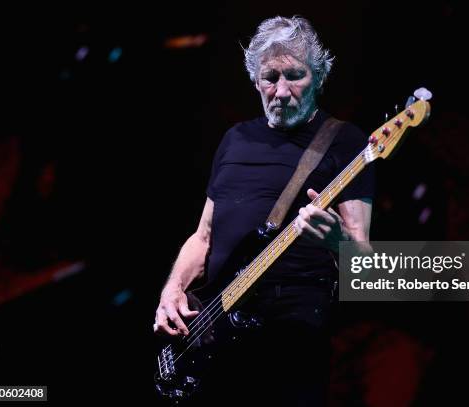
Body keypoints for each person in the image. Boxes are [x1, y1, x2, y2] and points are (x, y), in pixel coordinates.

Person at [154, 15, 375, 406]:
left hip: (290, 348)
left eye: (296, 75)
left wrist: (336, 241)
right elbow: (202, 237)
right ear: (255, 80)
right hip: (214, 341)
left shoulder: (345, 141)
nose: (283, 91)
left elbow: (367, 268)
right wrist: (172, 289)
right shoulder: (234, 139)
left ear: (320, 77)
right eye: (271, 77)